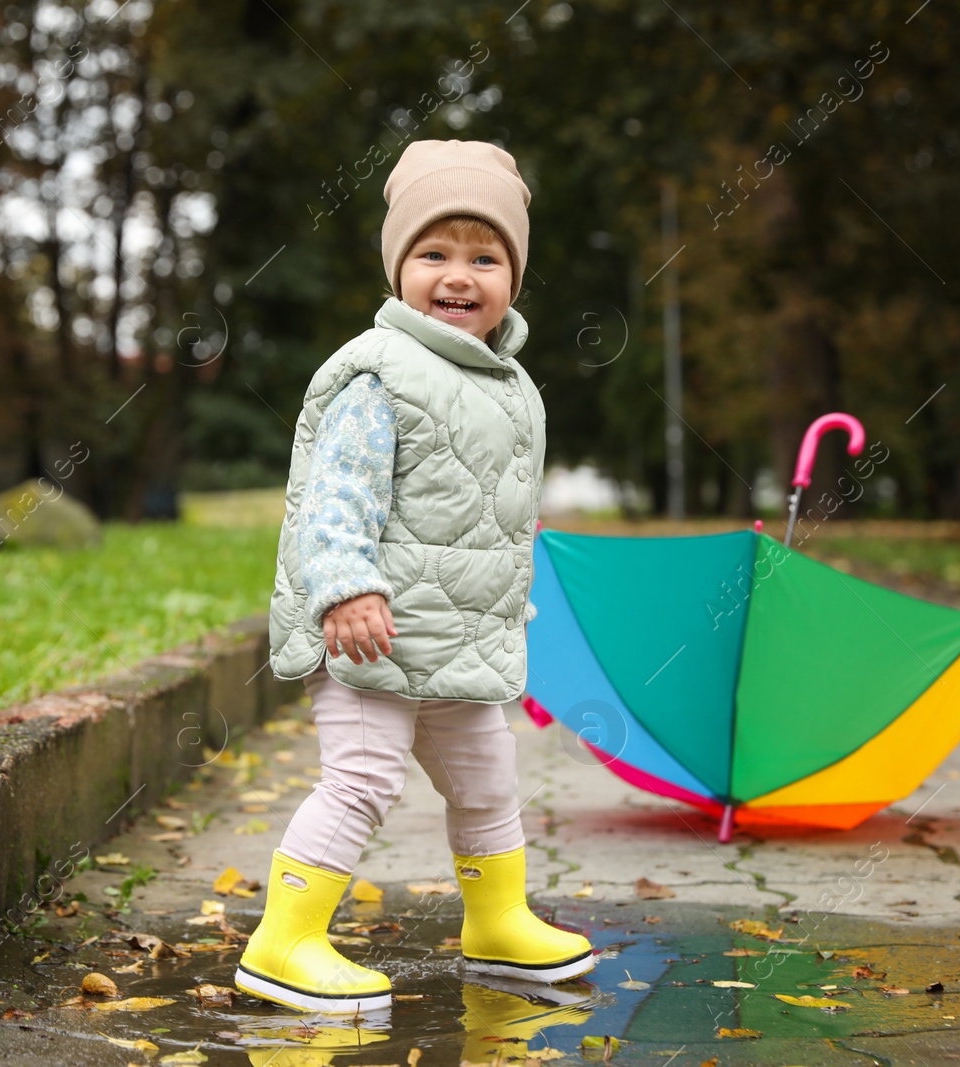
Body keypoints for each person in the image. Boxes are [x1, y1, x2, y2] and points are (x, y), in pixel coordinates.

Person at [234, 138, 595, 1014]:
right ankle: (283, 941)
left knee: (488, 779)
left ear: (514, 275)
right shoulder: (378, 373)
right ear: (400, 267)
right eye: (433, 253)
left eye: (485, 256)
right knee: (362, 777)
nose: (458, 275)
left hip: (459, 639)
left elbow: (490, 511)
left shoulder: (510, 385)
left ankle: (497, 919)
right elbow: (336, 499)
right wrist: (346, 587)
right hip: (372, 631)